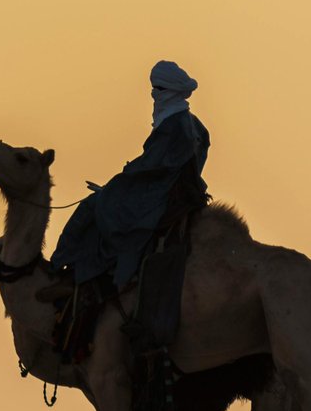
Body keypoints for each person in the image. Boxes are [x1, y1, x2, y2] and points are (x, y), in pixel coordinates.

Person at [47, 60, 211, 294]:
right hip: (172, 189)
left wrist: (114, 186)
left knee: (92, 206)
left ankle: (59, 269)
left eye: (159, 89)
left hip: (158, 193)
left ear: (171, 90)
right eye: (153, 88)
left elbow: (150, 165)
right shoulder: (194, 124)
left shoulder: (173, 125)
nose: (154, 94)